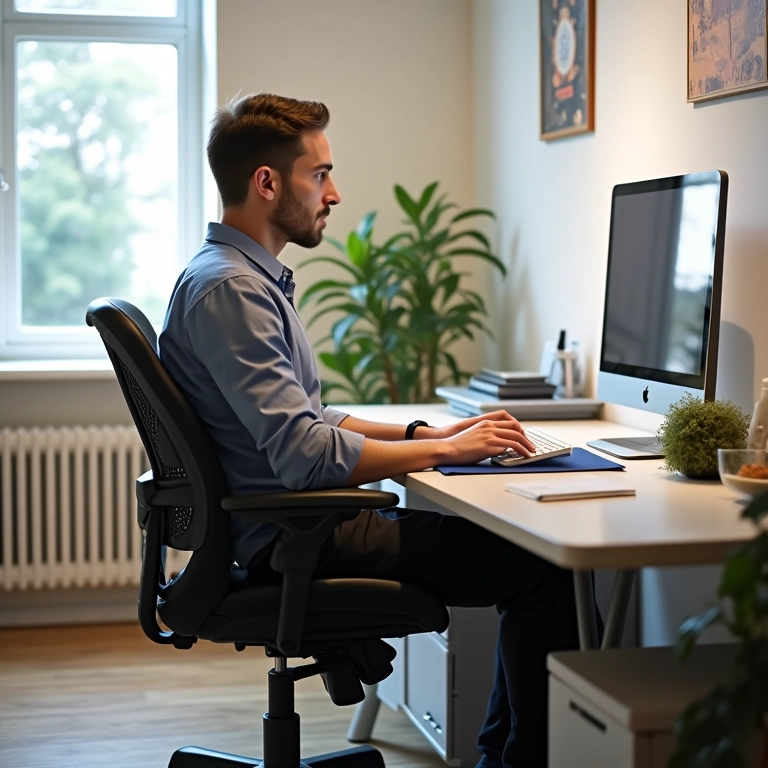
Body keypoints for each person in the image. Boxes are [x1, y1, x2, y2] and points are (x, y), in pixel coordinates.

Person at [159, 93, 580, 768]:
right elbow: (303, 455)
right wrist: (446, 449)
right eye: (319, 174)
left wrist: (422, 431)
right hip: (297, 537)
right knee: (542, 571)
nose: (335, 192)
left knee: (529, 563)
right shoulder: (233, 292)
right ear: (267, 183)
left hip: (279, 530)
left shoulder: (238, 280)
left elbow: (310, 419)